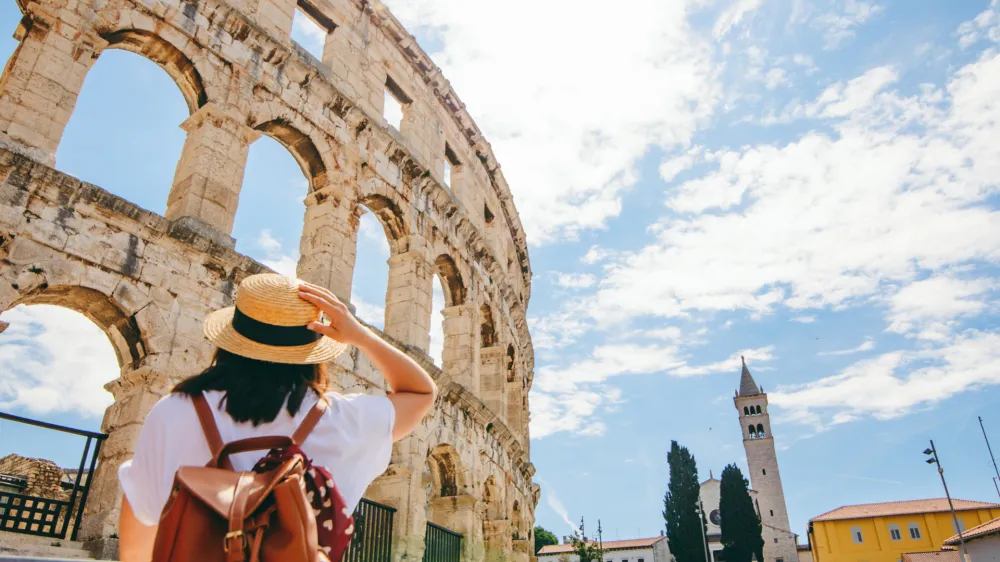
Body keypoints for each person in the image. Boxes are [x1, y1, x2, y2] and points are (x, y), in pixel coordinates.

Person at [116, 274, 437, 561]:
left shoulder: (174, 411)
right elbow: (421, 393)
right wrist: (360, 336)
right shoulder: (347, 420)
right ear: (312, 353)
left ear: (230, 341)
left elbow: (137, 543)